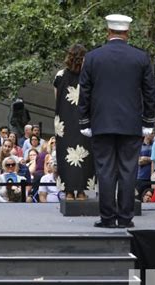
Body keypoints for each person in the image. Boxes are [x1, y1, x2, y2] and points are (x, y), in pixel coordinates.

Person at [78, 14, 155, 228]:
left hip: (101, 123)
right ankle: (125, 218)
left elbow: (84, 92)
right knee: (128, 170)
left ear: (108, 31)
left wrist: (84, 121)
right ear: (127, 33)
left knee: (104, 171)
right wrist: (148, 120)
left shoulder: (93, 57)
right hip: (131, 124)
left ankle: (107, 217)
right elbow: (150, 92)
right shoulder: (140, 57)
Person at [54, 43, 95, 201]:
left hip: (64, 121)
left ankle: (69, 191)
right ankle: (82, 192)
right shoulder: (90, 75)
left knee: (66, 154)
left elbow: (57, 99)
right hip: (84, 120)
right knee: (85, 154)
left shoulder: (60, 75)